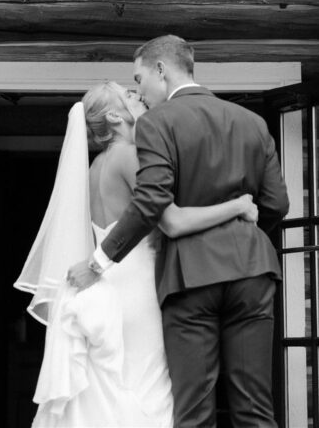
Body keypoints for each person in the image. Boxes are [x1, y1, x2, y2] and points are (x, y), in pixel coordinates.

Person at [69, 35, 290, 428]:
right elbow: (276, 206)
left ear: (160, 70)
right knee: (255, 406)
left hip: (190, 277)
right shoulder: (253, 122)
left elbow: (152, 201)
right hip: (253, 273)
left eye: (139, 80)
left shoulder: (158, 122)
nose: (139, 91)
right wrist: (242, 232)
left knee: (194, 408)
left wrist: (100, 259)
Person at [15, 79, 259, 428]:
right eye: (128, 94)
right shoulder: (130, 156)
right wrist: (237, 205)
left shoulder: (97, 165)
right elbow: (171, 221)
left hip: (108, 283)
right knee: (149, 385)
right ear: (115, 115)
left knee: (116, 383)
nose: (137, 96)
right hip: (136, 288)